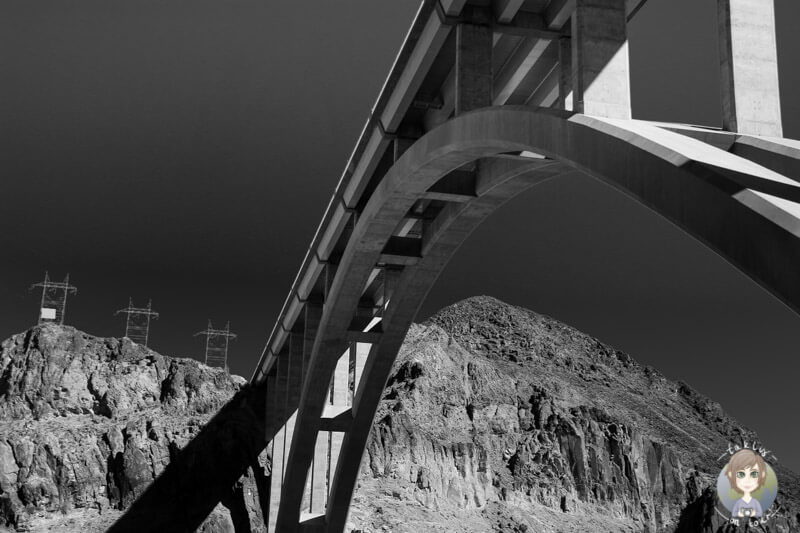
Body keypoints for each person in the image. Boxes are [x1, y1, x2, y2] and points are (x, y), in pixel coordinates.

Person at [726, 449, 768, 518]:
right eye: (741, 474)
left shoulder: (755, 502)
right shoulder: (739, 502)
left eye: (754, 474)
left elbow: (759, 513)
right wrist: (740, 513)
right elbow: (734, 513)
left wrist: (753, 513)